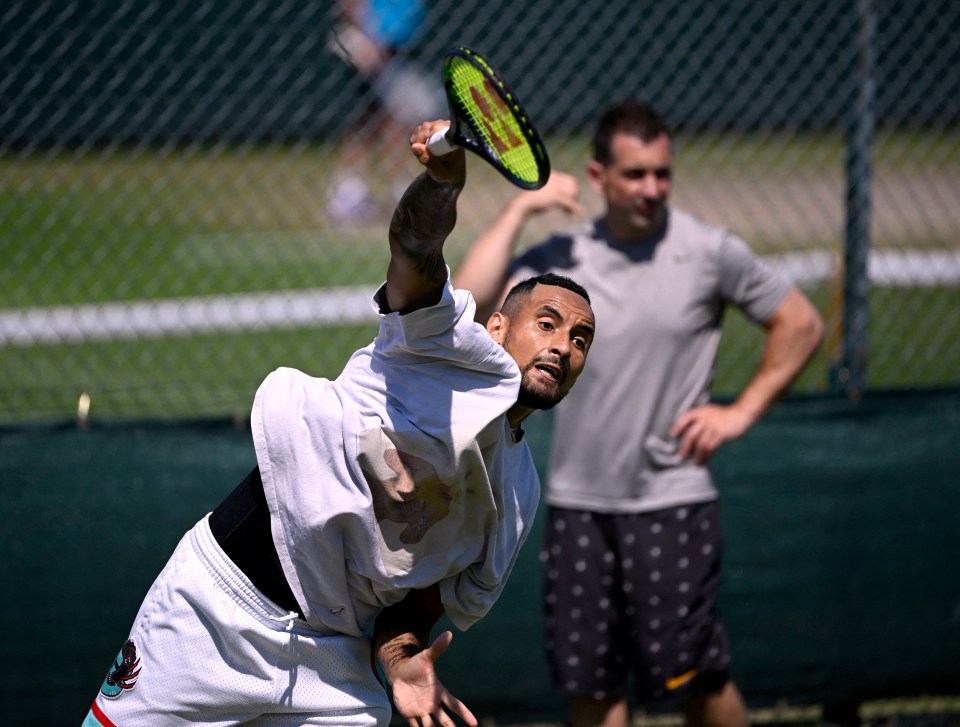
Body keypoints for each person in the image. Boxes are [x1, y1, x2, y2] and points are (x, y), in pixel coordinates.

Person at [82, 119, 596, 727]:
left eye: (580, 339)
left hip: (336, 663)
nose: (563, 345)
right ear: (496, 329)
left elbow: (417, 608)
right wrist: (441, 182)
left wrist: (404, 660)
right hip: (220, 608)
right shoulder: (439, 346)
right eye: (548, 322)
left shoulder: (520, 495)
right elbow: (413, 249)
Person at [453, 100, 824, 727]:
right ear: (599, 178)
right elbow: (468, 299)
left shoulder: (710, 251)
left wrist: (739, 413)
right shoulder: (561, 261)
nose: (651, 189)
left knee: (697, 681)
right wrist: (520, 208)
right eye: (634, 175)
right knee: (593, 689)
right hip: (577, 507)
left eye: (662, 174)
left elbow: (801, 322)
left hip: (672, 505)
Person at [325, 0, 445, 222]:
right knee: (382, 118)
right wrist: (368, 37)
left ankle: (364, 191)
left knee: (387, 119)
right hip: (370, 46)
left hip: (394, 50)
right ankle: (351, 193)